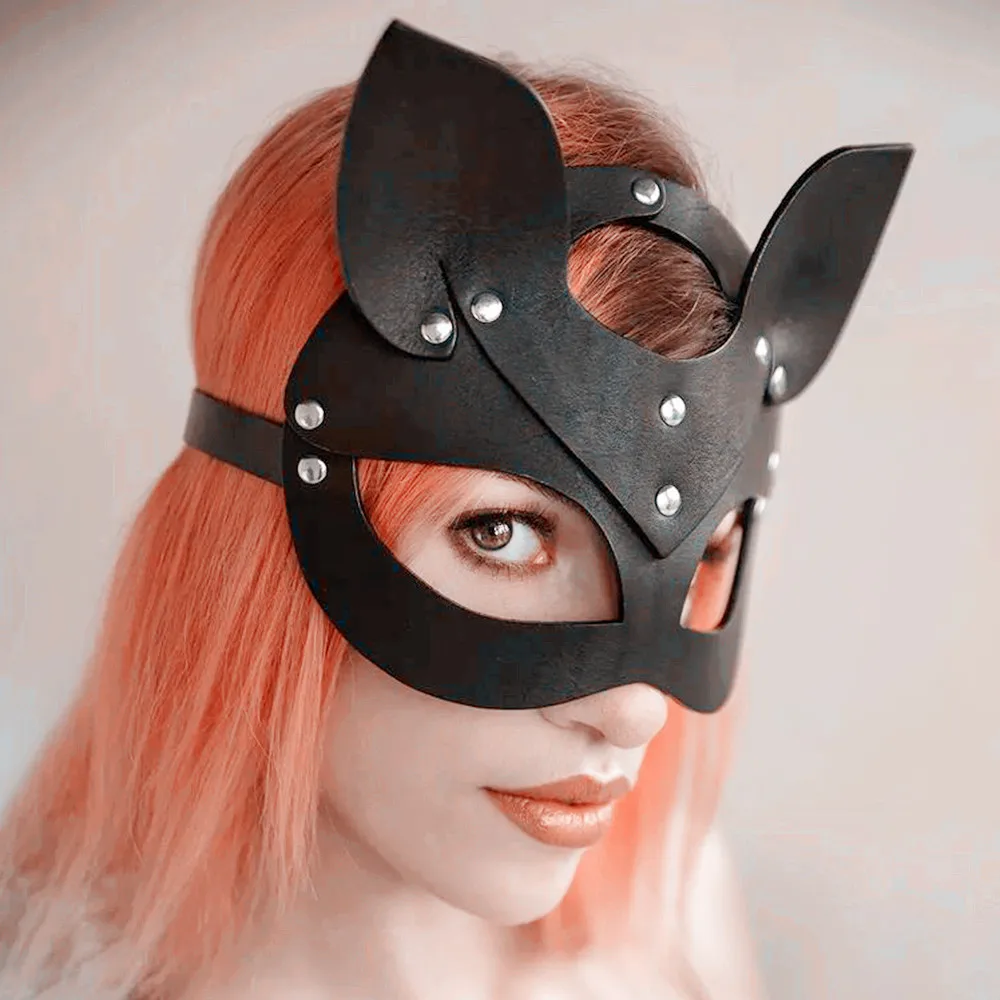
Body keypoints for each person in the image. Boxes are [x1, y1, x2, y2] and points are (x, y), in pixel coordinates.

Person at [0, 20, 910, 1000]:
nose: (632, 713)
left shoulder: (674, 918)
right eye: (501, 534)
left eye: (704, 553)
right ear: (250, 551)